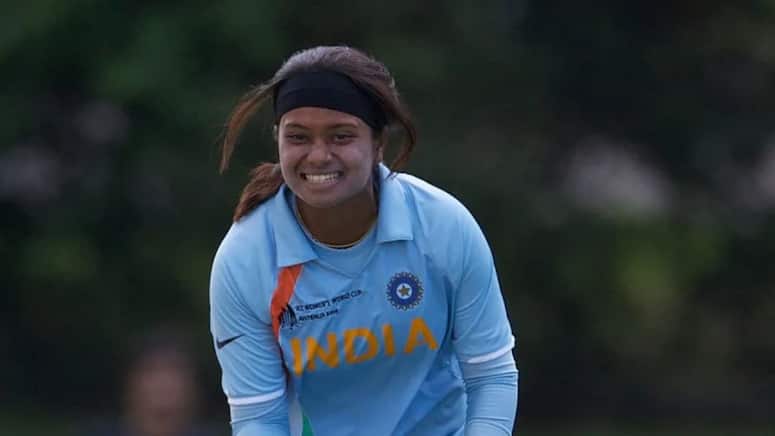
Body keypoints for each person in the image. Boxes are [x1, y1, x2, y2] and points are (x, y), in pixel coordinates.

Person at [209, 45, 518, 436]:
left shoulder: (443, 225)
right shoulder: (245, 258)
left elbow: (491, 374)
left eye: (341, 136)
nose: (318, 156)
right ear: (278, 140)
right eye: (298, 137)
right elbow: (259, 419)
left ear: (378, 143)